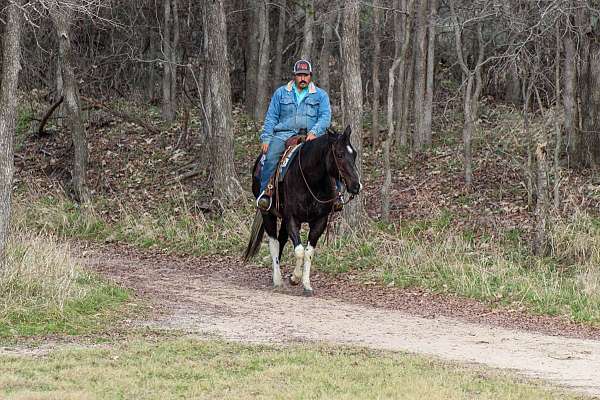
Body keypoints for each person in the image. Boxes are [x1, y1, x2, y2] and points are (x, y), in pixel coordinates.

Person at [256, 59, 342, 211]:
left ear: (310, 76)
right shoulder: (281, 93)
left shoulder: (320, 95)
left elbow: (325, 117)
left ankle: (337, 194)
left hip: (312, 136)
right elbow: (271, 117)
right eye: (299, 75)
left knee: (333, 155)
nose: (303, 78)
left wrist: (314, 132)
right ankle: (266, 194)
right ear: (294, 76)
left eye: (306, 75)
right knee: (270, 158)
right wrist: (267, 138)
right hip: (284, 134)